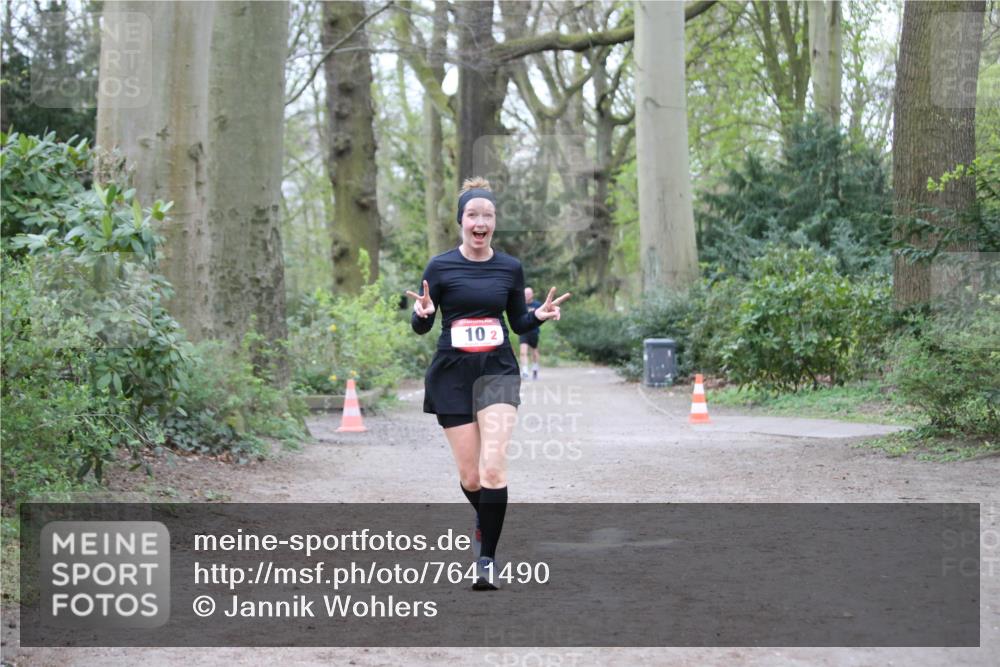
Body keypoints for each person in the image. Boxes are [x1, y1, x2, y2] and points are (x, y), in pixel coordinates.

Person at [407, 177, 570, 590]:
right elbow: (421, 326)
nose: (480, 221)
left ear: (495, 222)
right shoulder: (440, 266)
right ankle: (485, 515)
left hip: (497, 371)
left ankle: (487, 560)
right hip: (452, 375)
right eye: (473, 214)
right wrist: (423, 313)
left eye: (488, 215)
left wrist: (539, 316)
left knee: (493, 469)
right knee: (472, 478)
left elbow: (517, 321)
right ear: (461, 220)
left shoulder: (509, 267)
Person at [519, 286, 543, 380]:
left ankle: (535, 368)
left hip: (534, 331)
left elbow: (542, 317)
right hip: (523, 331)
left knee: (534, 352)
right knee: (523, 352)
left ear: (532, 294)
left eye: (528, 294)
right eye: (525, 294)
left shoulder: (537, 305)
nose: (526, 296)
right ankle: (524, 371)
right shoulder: (520, 305)